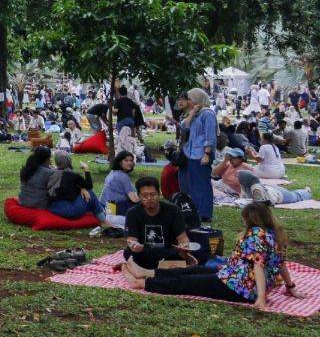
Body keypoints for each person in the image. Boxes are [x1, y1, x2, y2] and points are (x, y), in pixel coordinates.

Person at [122, 202, 305, 310]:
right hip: (232, 276)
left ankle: (142, 282)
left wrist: (261, 298)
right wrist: (290, 286)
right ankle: (145, 272)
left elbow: (258, 265)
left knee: (188, 283)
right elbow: (281, 264)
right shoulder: (276, 234)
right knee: (194, 271)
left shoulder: (257, 234)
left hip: (238, 287)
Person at [123, 177, 194, 270]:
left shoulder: (173, 210)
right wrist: (135, 246)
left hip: (167, 251)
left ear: (159, 193)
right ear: (139, 196)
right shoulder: (132, 213)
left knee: (183, 253)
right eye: (144, 195)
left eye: (152, 194)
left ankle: (149, 268)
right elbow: (131, 240)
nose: (149, 198)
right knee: (128, 253)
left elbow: (182, 238)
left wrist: (184, 246)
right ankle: (165, 267)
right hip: (145, 251)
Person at [182, 88, 217, 222]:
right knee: (195, 185)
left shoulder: (207, 114)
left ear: (197, 99)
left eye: (190, 99)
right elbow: (185, 127)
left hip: (202, 154)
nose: (189, 102)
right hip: (192, 154)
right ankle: (197, 210)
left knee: (202, 184)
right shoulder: (196, 114)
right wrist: (192, 112)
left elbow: (210, 136)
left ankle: (205, 213)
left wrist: (207, 154)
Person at [46, 151, 110, 225]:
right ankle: (104, 220)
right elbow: (89, 186)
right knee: (90, 193)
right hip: (69, 211)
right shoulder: (73, 176)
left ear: (57, 162)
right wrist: (86, 169)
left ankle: (96, 212)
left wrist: (81, 188)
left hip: (53, 208)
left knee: (84, 195)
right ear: (69, 161)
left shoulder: (52, 173)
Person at [101, 150, 140, 216]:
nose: (129, 163)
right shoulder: (123, 176)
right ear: (120, 162)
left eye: (131, 161)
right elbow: (134, 200)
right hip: (112, 208)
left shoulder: (113, 172)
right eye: (126, 160)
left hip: (104, 206)